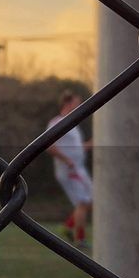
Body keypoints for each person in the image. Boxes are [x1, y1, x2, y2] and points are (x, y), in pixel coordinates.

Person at [47, 89, 92, 250]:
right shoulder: (57, 122)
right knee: (83, 202)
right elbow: (49, 146)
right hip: (70, 171)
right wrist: (67, 161)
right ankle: (80, 239)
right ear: (67, 103)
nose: (79, 106)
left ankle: (67, 227)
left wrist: (91, 143)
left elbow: (77, 149)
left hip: (78, 169)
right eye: (76, 103)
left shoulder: (73, 125)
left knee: (91, 201)